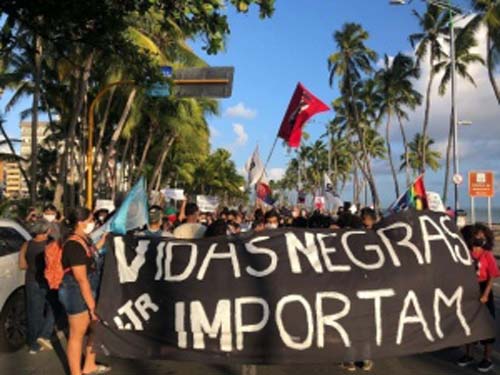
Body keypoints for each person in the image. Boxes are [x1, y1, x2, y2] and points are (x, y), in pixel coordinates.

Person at [58, 207, 110, 375]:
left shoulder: (83, 239)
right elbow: (81, 279)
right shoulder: (73, 245)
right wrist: (92, 307)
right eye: (90, 221)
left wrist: (103, 240)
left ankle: (89, 364)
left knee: (95, 329)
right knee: (77, 335)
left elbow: (92, 253)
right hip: (76, 292)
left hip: (88, 289)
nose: (92, 224)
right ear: (80, 223)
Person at [458, 223, 498, 372]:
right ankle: (469, 355)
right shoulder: (464, 253)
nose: (480, 238)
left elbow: (492, 276)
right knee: (468, 325)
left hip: (483, 290)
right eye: (477, 236)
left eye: (483, 236)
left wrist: (486, 294)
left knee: (486, 325)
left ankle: (487, 359)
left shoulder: (487, 255)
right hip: (469, 290)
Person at [19, 219, 55, 354]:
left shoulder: (26, 245)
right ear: (47, 231)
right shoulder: (51, 245)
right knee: (55, 308)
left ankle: (33, 346)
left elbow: (22, 265)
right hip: (48, 281)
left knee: (34, 313)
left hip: (31, 280)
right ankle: (44, 335)